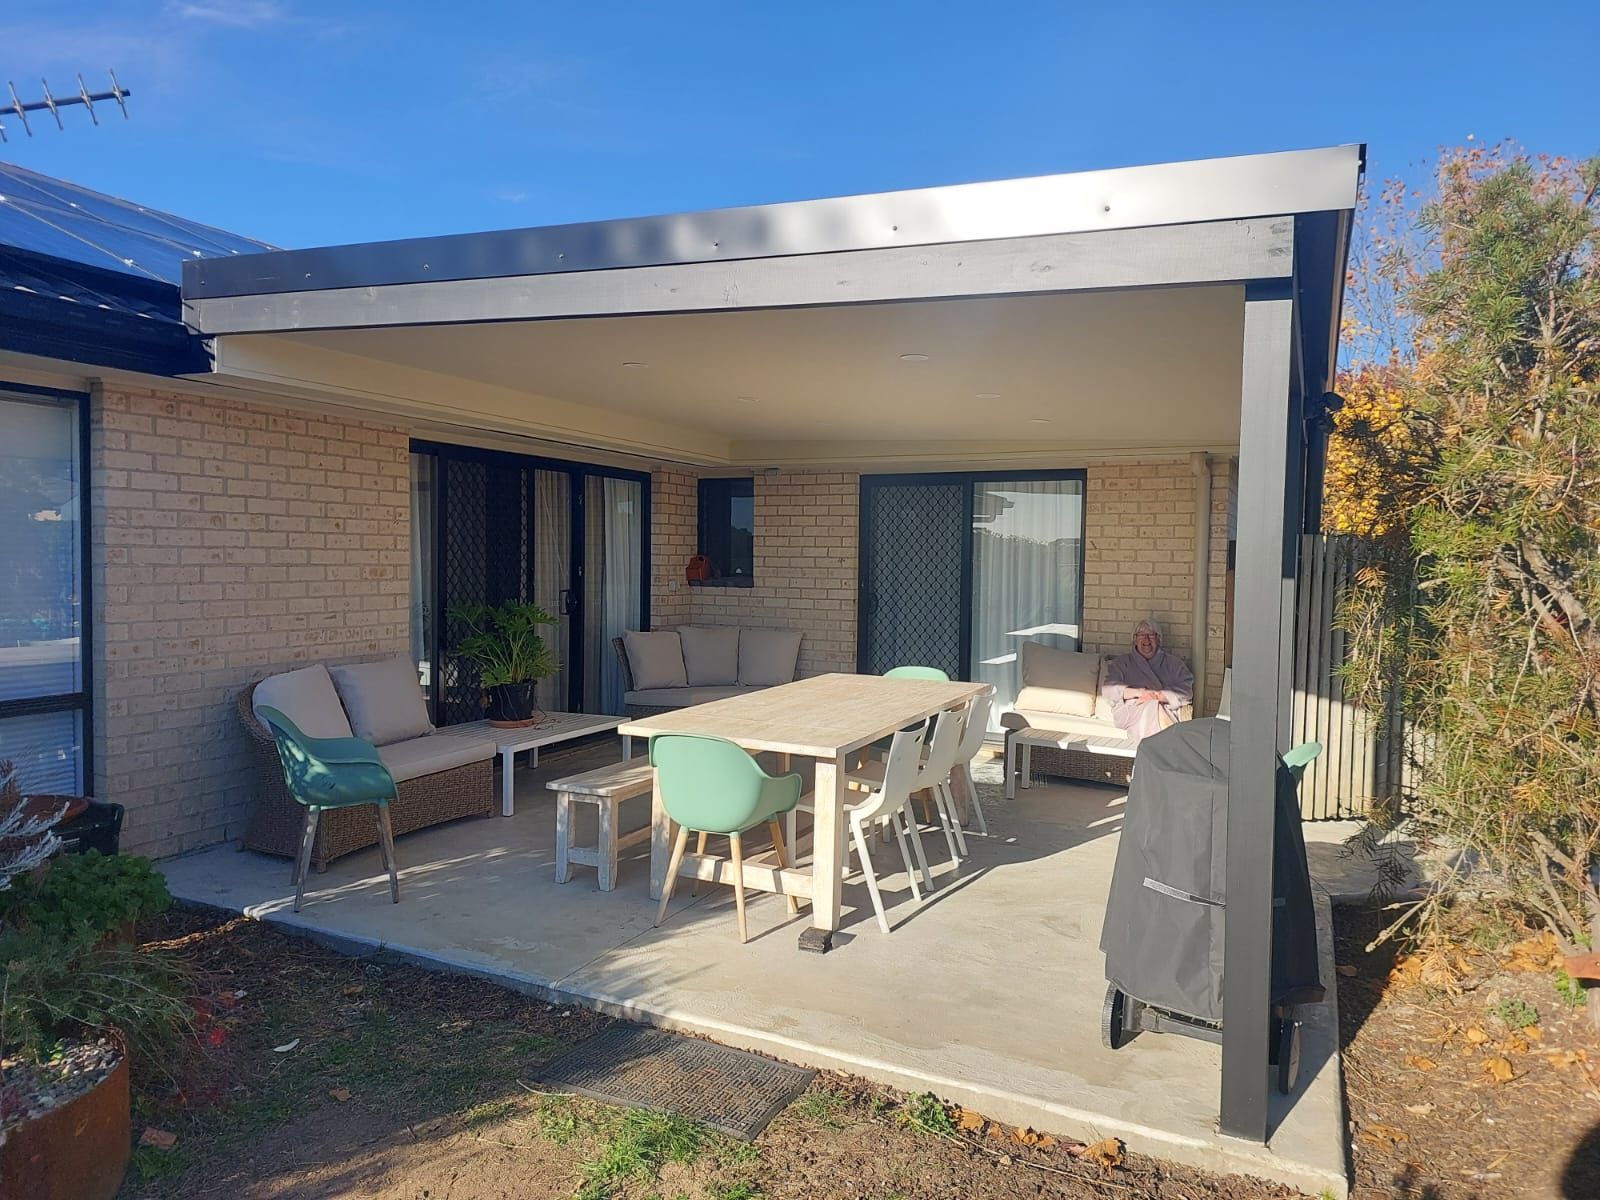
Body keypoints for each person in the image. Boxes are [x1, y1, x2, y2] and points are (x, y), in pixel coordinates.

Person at [1102, 619, 1194, 743]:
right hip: (1132, 709)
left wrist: (1158, 696)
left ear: (1158, 639)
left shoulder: (1173, 664)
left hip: (1165, 707)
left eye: (1151, 635)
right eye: (1141, 635)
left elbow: (1186, 691)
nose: (1146, 640)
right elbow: (1108, 690)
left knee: (1153, 705)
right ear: (1134, 639)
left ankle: (1155, 752)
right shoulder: (1122, 663)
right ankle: (1173, 747)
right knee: (1153, 707)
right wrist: (1140, 692)